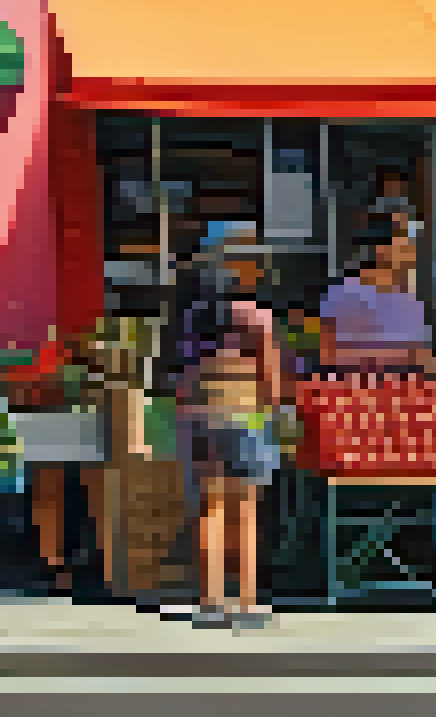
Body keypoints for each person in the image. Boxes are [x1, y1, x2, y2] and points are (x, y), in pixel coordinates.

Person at [170, 249, 285, 628]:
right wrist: (275, 408)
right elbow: (270, 375)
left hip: (201, 418)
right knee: (247, 511)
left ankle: (210, 601)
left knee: (210, 509)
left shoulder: (192, 320)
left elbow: (179, 378)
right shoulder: (256, 318)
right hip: (246, 414)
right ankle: (247, 602)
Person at [318, 211, 436, 373]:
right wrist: (410, 357)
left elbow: (421, 357)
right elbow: (331, 355)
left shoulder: (410, 301)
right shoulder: (347, 294)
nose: (413, 251)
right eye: (407, 241)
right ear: (381, 248)